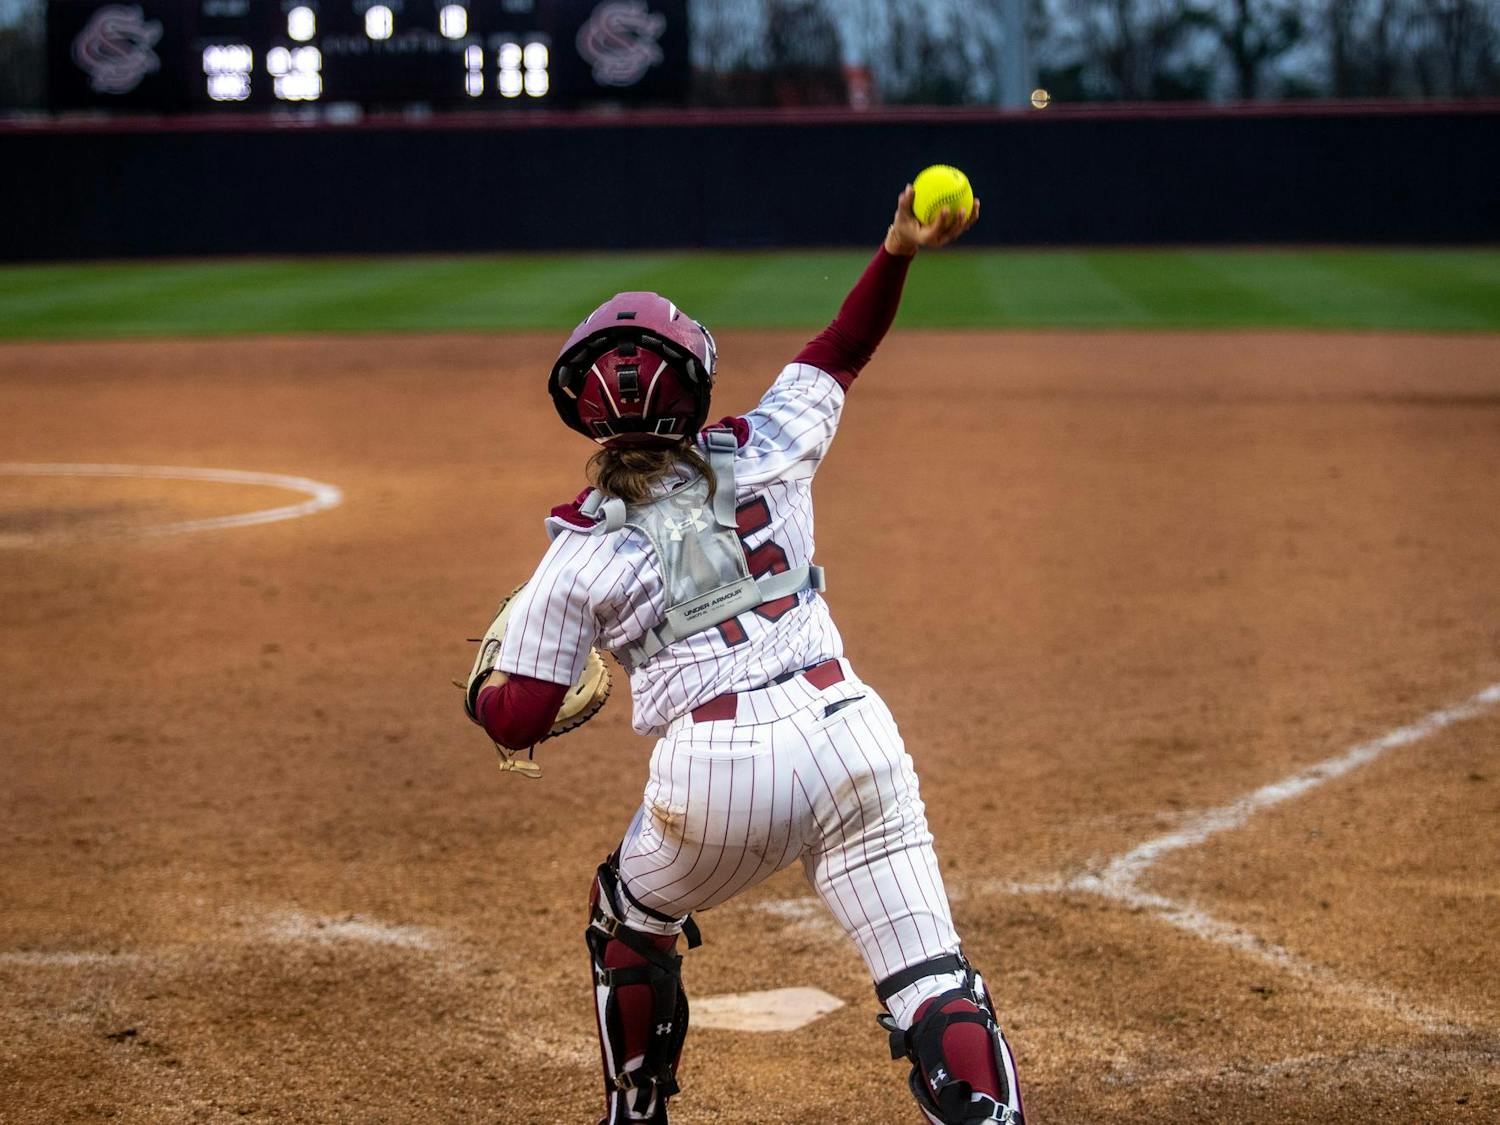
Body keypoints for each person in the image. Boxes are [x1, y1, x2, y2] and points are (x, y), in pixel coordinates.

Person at [472, 185, 1024, 1125]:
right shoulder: (769, 444)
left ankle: (636, 1114)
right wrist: (896, 247)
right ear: (698, 384)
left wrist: (488, 683)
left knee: (628, 915)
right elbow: (843, 348)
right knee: (933, 980)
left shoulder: (578, 550)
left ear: (585, 415)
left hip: (715, 775)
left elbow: (517, 715)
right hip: (852, 731)